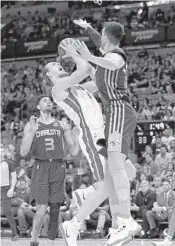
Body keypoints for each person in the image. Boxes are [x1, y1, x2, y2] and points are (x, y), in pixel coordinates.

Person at [45, 39, 137, 246]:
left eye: (60, 64)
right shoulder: (59, 88)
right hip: (92, 137)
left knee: (129, 173)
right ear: (49, 75)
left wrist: (103, 62)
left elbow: (98, 79)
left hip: (103, 132)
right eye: (55, 67)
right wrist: (77, 54)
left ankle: (86, 195)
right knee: (109, 185)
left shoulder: (80, 86)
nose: (59, 66)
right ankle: (76, 223)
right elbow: (85, 67)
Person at [72, 19, 141, 245]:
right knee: (113, 170)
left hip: (120, 110)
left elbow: (113, 62)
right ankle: (119, 225)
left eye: (100, 35)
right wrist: (88, 29)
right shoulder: (103, 57)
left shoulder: (116, 55)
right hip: (114, 115)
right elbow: (101, 50)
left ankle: (127, 219)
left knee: (115, 165)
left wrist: (88, 57)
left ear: (105, 36)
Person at [20, 95, 80, 246]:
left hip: (58, 166)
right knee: (41, 208)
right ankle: (34, 239)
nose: (49, 103)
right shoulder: (32, 125)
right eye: (45, 101)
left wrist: (77, 138)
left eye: (50, 101)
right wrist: (32, 132)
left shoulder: (62, 124)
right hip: (40, 166)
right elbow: (23, 152)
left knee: (55, 208)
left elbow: (73, 152)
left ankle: (50, 243)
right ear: (39, 107)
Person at [0, 145, 18, 240]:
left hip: (5, 188)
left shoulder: (9, 163)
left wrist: (12, 188)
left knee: (6, 210)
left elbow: (14, 177)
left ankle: (15, 233)